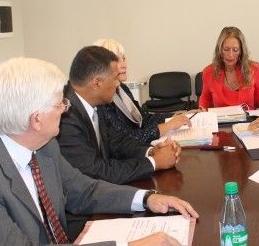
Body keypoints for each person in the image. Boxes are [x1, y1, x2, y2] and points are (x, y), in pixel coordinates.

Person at [0, 57, 198, 245]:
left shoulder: (41, 141)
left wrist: (147, 198)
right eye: (59, 103)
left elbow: (82, 190)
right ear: (36, 119)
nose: (66, 108)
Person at [58, 46, 180, 185]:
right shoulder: (65, 116)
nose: (118, 84)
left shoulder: (94, 102)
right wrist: (155, 162)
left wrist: (152, 151)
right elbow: (95, 171)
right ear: (97, 83)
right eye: (115, 78)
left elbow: (117, 142)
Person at [93, 39, 191, 145]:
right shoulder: (103, 100)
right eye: (117, 60)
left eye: (124, 58)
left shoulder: (123, 89)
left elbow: (143, 118)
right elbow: (125, 140)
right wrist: (167, 126)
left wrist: (175, 115)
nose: (124, 65)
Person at [199, 26, 259, 109]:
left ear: (241, 51)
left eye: (235, 50)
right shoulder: (209, 71)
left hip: (249, 117)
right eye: (226, 49)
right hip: (221, 117)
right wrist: (202, 109)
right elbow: (206, 98)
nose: (230, 55)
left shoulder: (253, 69)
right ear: (219, 50)